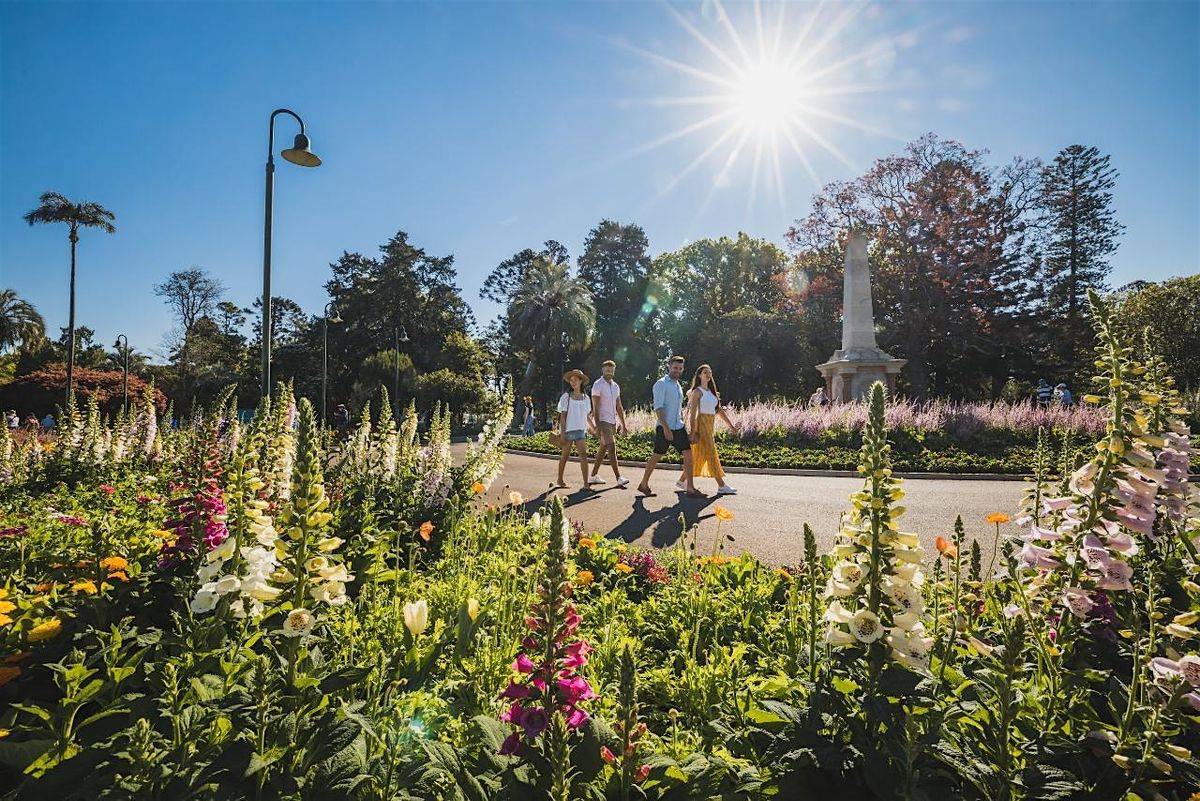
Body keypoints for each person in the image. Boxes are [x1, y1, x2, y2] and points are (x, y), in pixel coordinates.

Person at [638, 355, 703, 498]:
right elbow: (658, 408)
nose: (677, 371)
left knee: (687, 454)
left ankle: (690, 488)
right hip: (665, 426)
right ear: (669, 367)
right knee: (657, 455)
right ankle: (643, 484)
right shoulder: (661, 384)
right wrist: (666, 428)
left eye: (680, 368)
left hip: (678, 426)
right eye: (675, 368)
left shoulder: (678, 385)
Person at [687, 364, 738, 495]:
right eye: (705, 372)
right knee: (710, 453)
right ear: (699, 375)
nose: (708, 374)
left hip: (710, 425)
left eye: (710, 372)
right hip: (701, 424)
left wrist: (730, 425)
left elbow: (719, 411)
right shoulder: (697, 392)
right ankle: (721, 485)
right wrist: (693, 431)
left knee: (699, 454)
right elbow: (693, 414)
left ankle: (682, 481)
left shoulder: (711, 392)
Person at [588, 360, 629, 488]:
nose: (609, 372)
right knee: (611, 446)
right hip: (603, 421)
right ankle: (618, 478)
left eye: (611, 370)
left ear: (614, 371)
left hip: (612, 421)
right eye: (607, 369)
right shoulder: (597, 385)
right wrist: (598, 426)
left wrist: (623, 424)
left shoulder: (616, 386)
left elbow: (619, 406)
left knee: (603, 448)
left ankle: (594, 475)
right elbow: (596, 408)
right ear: (603, 370)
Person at [555, 369, 595, 489]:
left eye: (576, 380)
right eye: (571, 380)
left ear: (581, 381)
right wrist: (562, 433)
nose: (573, 382)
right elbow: (563, 417)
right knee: (565, 456)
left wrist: (593, 427)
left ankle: (586, 484)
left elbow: (586, 415)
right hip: (569, 431)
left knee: (583, 456)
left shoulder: (586, 398)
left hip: (581, 431)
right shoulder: (566, 397)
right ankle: (560, 480)